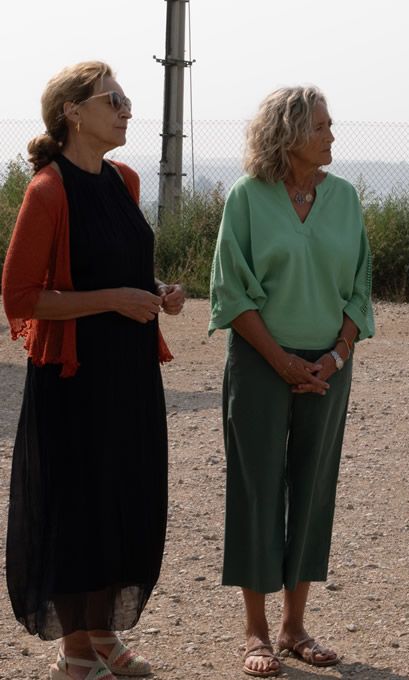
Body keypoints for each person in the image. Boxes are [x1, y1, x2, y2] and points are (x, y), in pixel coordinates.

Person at [2, 61, 185, 680]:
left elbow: (114, 268)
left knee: (120, 501)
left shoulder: (126, 180)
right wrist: (114, 299)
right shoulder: (48, 190)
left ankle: (102, 636)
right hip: (73, 379)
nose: (128, 108)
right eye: (115, 99)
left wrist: (156, 291)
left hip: (129, 372)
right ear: (73, 113)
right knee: (77, 507)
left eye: (126, 98)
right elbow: (21, 296)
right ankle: (76, 652)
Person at [208, 86, 374, 677]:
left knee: (313, 488)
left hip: (330, 365)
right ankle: (254, 631)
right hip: (259, 362)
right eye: (322, 127)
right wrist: (280, 360)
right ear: (288, 134)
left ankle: (294, 627)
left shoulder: (346, 198)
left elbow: (360, 286)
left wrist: (335, 355)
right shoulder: (247, 199)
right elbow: (232, 287)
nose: (333, 136)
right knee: (257, 487)